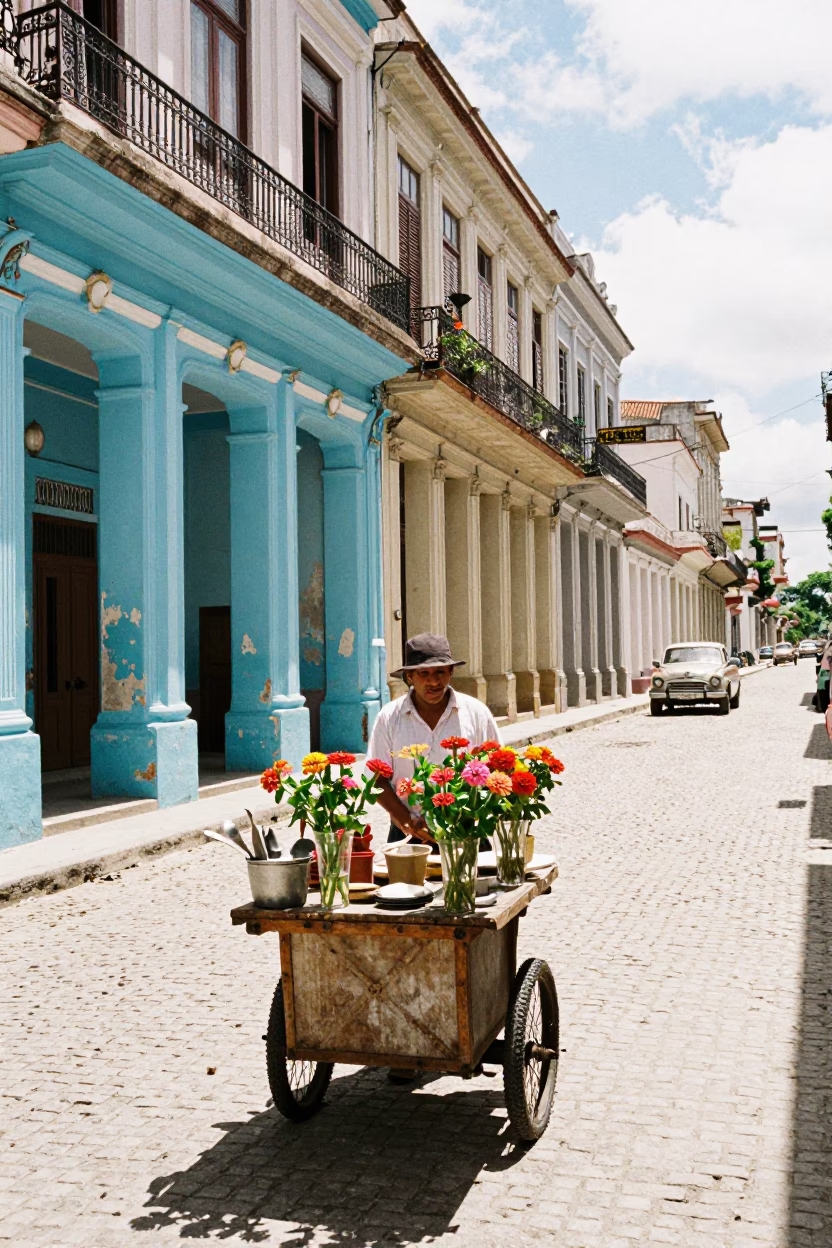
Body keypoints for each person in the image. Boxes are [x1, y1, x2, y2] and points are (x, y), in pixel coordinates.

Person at [366, 632, 501, 844]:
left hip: (466, 833)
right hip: (409, 835)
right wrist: (406, 821)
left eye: (440, 672)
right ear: (409, 676)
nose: (434, 681)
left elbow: (496, 767)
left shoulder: (476, 713)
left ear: (451, 672)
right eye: (424, 673)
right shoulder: (389, 717)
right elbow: (376, 779)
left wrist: (478, 813)